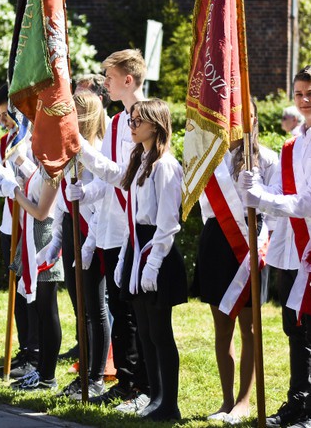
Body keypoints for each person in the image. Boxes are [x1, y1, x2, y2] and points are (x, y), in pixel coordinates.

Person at [242, 66, 311, 428]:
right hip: (288, 247)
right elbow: (283, 193)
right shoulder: (293, 141)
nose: (304, 100)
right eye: (298, 93)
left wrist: (263, 197)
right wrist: (256, 190)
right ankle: (297, 402)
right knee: (293, 329)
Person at [79, 98, 187, 420]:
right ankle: (155, 397)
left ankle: (169, 404)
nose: (132, 126)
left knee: (160, 333)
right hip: (138, 250)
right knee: (145, 332)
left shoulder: (165, 165)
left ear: (156, 124)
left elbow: (168, 223)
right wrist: (126, 258)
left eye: (138, 121)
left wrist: (152, 264)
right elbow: (119, 187)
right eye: (131, 120)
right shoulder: (140, 160)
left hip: (156, 252)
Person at [65, 49, 150, 412]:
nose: (106, 83)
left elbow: (127, 176)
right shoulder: (116, 123)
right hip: (113, 228)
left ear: (128, 80)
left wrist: (83, 149)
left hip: (136, 229)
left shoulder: (147, 117)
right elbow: (109, 179)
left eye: (110, 78)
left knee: (134, 314)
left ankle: (141, 385)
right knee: (119, 309)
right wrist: (86, 193)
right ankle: (126, 381)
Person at [194, 103, 279, 424]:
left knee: (250, 327)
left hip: (252, 241)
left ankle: (244, 401)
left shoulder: (267, 159)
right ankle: (226, 399)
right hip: (217, 238)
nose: (238, 121)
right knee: (222, 325)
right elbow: (203, 204)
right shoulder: (211, 158)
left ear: (254, 119)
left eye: (245, 115)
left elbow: (275, 207)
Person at [55, 91, 110, 399]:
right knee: (80, 308)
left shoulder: (97, 148)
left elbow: (102, 198)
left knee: (95, 306)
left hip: (93, 231)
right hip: (72, 226)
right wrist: (57, 238)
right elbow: (63, 193)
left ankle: (96, 376)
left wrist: (89, 244)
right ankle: (84, 373)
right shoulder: (69, 148)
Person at [0, 152, 63, 391]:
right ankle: (40, 371)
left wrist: (15, 192)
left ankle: (47, 376)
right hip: (33, 235)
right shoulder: (43, 164)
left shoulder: (54, 166)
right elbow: (34, 178)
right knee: (38, 310)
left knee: (47, 308)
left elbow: (41, 212)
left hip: (45, 240)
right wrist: (17, 166)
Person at [0, 83, 39, 376]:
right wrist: (7, 185)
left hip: (32, 221)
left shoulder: (34, 139)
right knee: (17, 291)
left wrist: (20, 167)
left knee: (31, 289)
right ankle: (23, 350)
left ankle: (35, 352)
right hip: (11, 221)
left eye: (5, 115)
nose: (1, 121)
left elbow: (41, 180)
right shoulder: (6, 141)